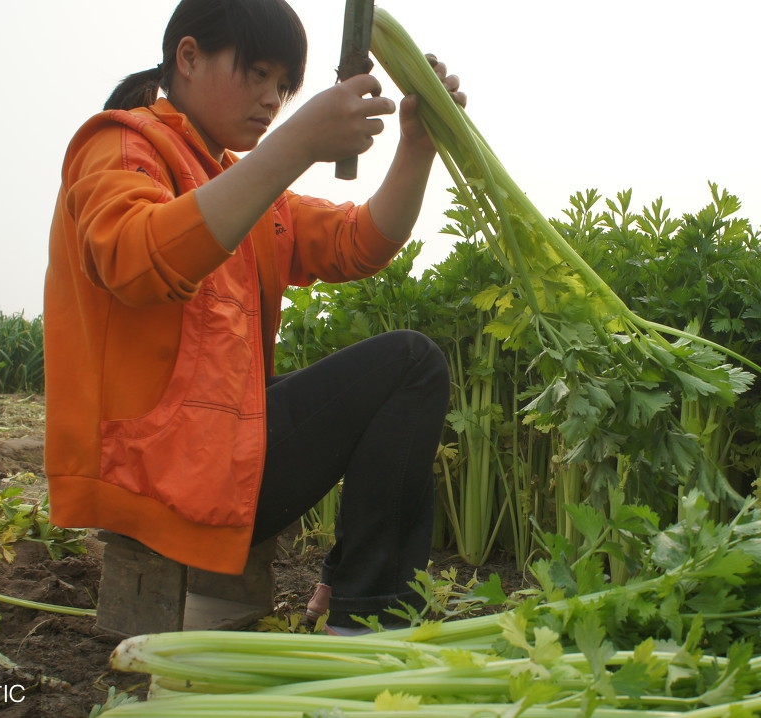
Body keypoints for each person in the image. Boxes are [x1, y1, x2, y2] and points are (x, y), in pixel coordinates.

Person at [43, 0, 462, 635]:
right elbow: (137, 260)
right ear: (188, 57)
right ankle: (366, 622)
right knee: (411, 364)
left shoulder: (240, 184)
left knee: (399, 377)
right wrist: (298, 145)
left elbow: (360, 240)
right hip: (150, 470)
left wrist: (416, 148)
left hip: (216, 463)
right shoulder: (121, 144)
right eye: (258, 73)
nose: (272, 99)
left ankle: (352, 594)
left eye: (283, 85)